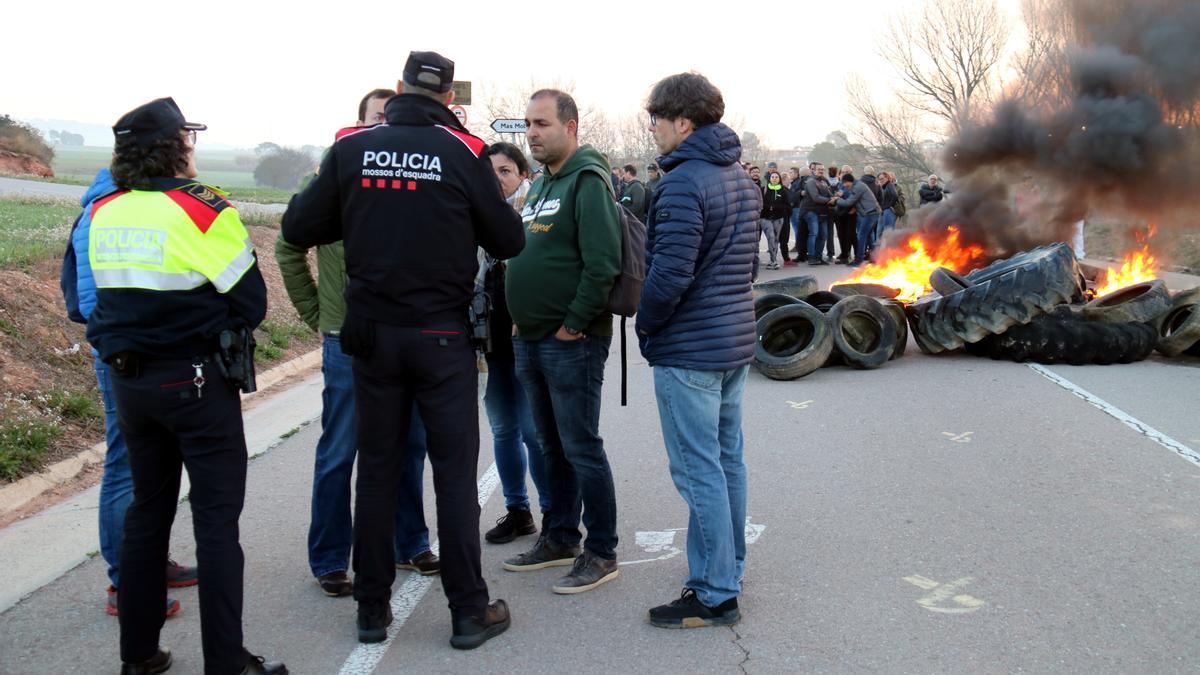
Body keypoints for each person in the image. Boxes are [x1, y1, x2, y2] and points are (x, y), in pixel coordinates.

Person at [282, 51, 523, 650]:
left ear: (397, 89)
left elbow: (297, 227)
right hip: (440, 337)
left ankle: (371, 611)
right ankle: (469, 612)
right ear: (448, 99)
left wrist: (367, 213)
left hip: (372, 335)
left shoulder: (354, 148)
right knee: (454, 477)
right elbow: (508, 238)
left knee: (379, 471)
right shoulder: (465, 150)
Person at [85, 97, 284, 674]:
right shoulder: (202, 210)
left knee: (148, 514)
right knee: (216, 524)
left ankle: (139, 656)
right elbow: (251, 303)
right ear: (178, 146)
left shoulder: (103, 211)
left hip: (131, 388)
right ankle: (227, 663)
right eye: (189, 138)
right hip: (196, 384)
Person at [275, 88, 438, 601]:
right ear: (359, 123)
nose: (382, 127)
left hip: (403, 334)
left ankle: (408, 542)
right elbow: (287, 246)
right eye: (375, 118)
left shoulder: (409, 177)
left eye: (390, 119)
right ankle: (329, 557)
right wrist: (317, 314)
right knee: (341, 450)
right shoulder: (332, 176)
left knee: (409, 446)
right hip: (347, 339)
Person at [638, 71, 757, 629]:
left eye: (656, 120)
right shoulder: (737, 174)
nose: (653, 130)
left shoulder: (684, 182)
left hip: (691, 349)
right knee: (726, 461)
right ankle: (728, 568)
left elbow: (668, 275)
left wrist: (647, 327)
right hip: (731, 342)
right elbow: (746, 267)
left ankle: (714, 591)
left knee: (698, 469)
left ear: (683, 121)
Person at [60, 166, 199, 621]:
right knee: (126, 465)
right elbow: (94, 295)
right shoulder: (111, 210)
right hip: (127, 353)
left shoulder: (105, 207)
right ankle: (127, 582)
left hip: (127, 349)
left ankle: (147, 565)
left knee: (148, 465)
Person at [502, 88, 623, 595]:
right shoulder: (542, 184)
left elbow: (603, 264)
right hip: (530, 339)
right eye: (528, 124)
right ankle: (559, 537)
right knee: (550, 445)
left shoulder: (587, 181)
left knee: (581, 447)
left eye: (542, 124)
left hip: (570, 341)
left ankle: (601, 551)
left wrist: (572, 323)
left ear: (570, 127)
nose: (531, 133)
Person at [479, 141, 550, 544]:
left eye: (505, 171)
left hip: (528, 341)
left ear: (523, 175)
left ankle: (553, 514)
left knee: (531, 431)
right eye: (489, 172)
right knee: (503, 429)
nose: (497, 179)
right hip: (491, 346)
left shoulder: (536, 218)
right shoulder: (474, 218)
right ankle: (517, 510)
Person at [835, 172, 881, 267]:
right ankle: (875, 258)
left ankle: (858, 260)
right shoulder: (856, 185)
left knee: (861, 236)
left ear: (849, 181)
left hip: (870, 213)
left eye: (845, 183)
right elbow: (856, 200)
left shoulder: (858, 187)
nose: (844, 185)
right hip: (871, 212)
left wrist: (836, 200)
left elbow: (849, 202)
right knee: (868, 236)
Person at [800, 162, 834, 266]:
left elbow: (830, 195)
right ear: (813, 170)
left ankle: (819, 257)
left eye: (822, 169)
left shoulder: (824, 181)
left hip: (822, 212)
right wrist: (829, 200)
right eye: (819, 169)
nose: (821, 171)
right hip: (810, 211)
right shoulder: (810, 182)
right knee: (813, 233)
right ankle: (811, 257)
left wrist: (835, 197)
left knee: (823, 235)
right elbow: (815, 197)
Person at [759, 170, 789, 270]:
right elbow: (760, 203)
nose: (774, 178)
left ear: (779, 179)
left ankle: (773, 260)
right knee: (771, 237)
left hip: (778, 218)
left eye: (776, 177)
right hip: (765, 218)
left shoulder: (783, 190)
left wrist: (775, 207)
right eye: (772, 177)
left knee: (776, 239)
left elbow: (786, 205)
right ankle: (773, 261)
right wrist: (770, 207)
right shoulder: (764, 189)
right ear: (769, 179)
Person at [877, 171, 900, 242]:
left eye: (882, 178)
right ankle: (878, 251)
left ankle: (889, 251)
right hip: (883, 211)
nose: (881, 180)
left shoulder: (889, 185)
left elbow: (895, 196)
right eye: (879, 179)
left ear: (887, 178)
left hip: (888, 212)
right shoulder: (883, 186)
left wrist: (889, 206)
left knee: (888, 232)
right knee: (879, 232)